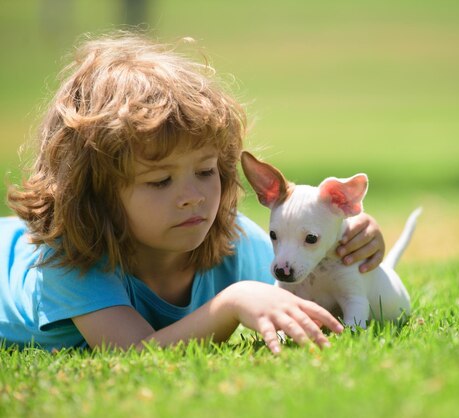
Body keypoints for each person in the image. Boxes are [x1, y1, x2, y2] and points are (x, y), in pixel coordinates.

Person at [0, 32, 386, 354]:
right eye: (160, 181)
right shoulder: (68, 260)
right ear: (95, 194)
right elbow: (135, 353)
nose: (192, 196)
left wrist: (352, 240)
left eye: (204, 171)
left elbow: (324, 271)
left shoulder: (238, 243)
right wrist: (232, 303)